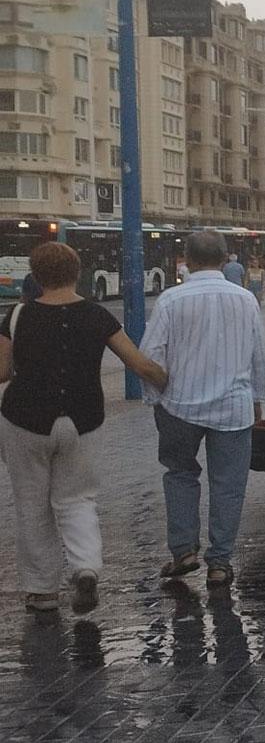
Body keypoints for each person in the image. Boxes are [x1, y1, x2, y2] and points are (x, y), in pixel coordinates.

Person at [0, 243, 169, 613]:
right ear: (77, 272)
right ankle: (86, 568)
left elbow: (0, 371)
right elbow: (139, 364)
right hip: (84, 420)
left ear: (35, 275)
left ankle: (43, 591)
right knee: (77, 500)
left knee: (31, 504)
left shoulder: (16, 315)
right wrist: (168, 380)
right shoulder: (98, 316)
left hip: (24, 421)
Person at [139, 230, 265, 588]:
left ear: (188, 259)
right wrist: (258, 396)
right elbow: (259, 354)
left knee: (180, 474)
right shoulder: (245, 300)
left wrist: (155, 398)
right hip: (233, 408)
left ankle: (183, 551)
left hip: (179, 406)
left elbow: (150, 354)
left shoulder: (171, 300)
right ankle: (220, 562)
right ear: (225, 257)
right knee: (229, 484)